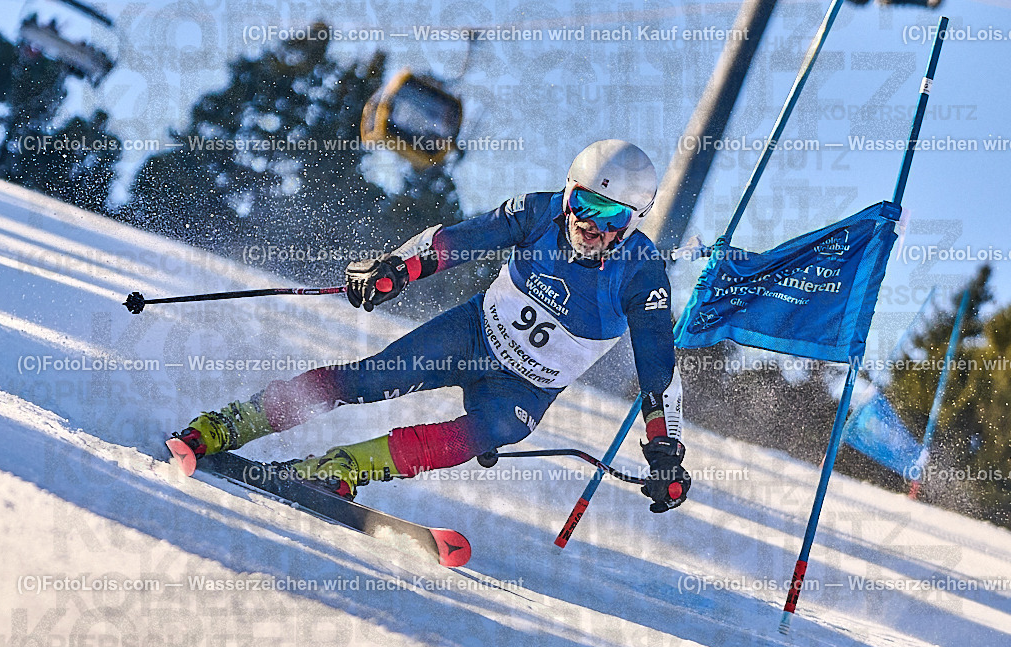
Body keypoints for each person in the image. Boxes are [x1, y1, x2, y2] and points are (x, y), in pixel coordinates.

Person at [172, 139, 690, 513]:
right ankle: (227, 424)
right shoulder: (538, 212)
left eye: (611, 216)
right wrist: (396, 268)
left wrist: (665, 450)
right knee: (366, 379)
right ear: (568, 193)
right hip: (470, 336)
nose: (591, 226)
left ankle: (342, 468)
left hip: (526, 386)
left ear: (635, 221)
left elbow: (658, 371)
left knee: (483, 434)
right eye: (583, 204)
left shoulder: (641, 274)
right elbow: (457, 240)